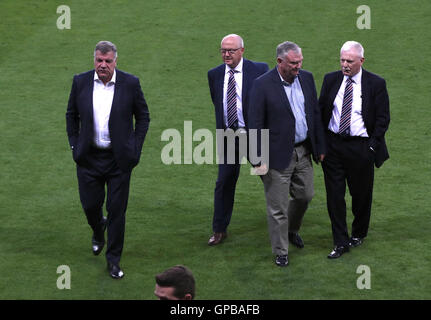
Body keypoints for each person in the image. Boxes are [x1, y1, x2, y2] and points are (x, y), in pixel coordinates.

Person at [66, 41, 150, 278]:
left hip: (118, 161)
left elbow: (143, 117)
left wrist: (135, 147)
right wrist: (75, 145)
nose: (103, 65)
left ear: (115, 61)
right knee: (90, 206)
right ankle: (97, 228)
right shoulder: (80, 81)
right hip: (88, 159)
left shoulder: (130, 83)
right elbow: (71, 115)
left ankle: (113, 260)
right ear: (94, 60)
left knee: (117, 212)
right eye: (99, 61)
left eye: (108, 61)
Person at [249, 41, 325, 267]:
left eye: (300, 61)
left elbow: (314, 114)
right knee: (278, 208)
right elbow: (254, 124)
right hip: (274, 158)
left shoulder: (307, 78)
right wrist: (257, 162)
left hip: (303, 151)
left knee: (305, 195)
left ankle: (292, 230)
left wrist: (320, 147)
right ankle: (281, 251)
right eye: (293, 63)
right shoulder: (262, 85)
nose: (298, 67)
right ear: (280, 62)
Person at [319, 41, 390, 259]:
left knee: (361, 195)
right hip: (333, 147)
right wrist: (321, 145)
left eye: (349, 61)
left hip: (361, 147)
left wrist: (371, 146)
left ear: (361, 61)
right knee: (335, 196)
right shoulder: (330, 80)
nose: (345, 65)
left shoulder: (376, 83)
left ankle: (359, 233)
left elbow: (382, 118)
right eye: (342, 60)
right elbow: (321, 112)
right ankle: (340, 242)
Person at [206, 34, 269, 246]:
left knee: (269, 180)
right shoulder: (214, 74)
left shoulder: (259, 70)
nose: (226, 54)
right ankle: (219, 230)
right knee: (224, 182)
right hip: (228, 138)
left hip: (254, 138)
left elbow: (267, 101)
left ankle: (285, 225)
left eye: (231, 50)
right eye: (223, 50)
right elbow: (218, 102)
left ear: (242, 50)